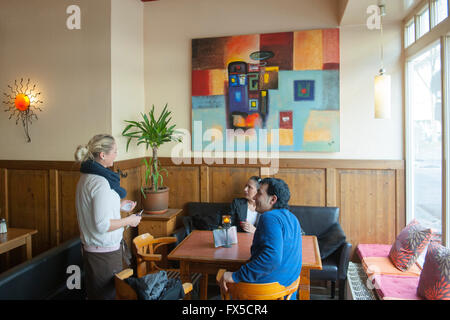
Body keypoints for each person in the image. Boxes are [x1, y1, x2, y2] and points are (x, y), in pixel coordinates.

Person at [74, 134, 142, 300]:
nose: (116, 155)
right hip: (103, 254)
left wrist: (118, 205)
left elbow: (92, 209)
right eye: (115, 151)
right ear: (103, 155)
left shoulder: (86, 177)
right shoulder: (101, 183)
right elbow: (103, 224)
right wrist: (130, 220)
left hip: (93, 251)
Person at [218, 177, 302, 300]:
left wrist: (235, 276)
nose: (254, 197)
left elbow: (271, 258)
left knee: (222, 278)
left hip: (264, 294)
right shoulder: (293, 218)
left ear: (273, 199)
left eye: (259, 193)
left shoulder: (269, 217)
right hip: (286, 293)